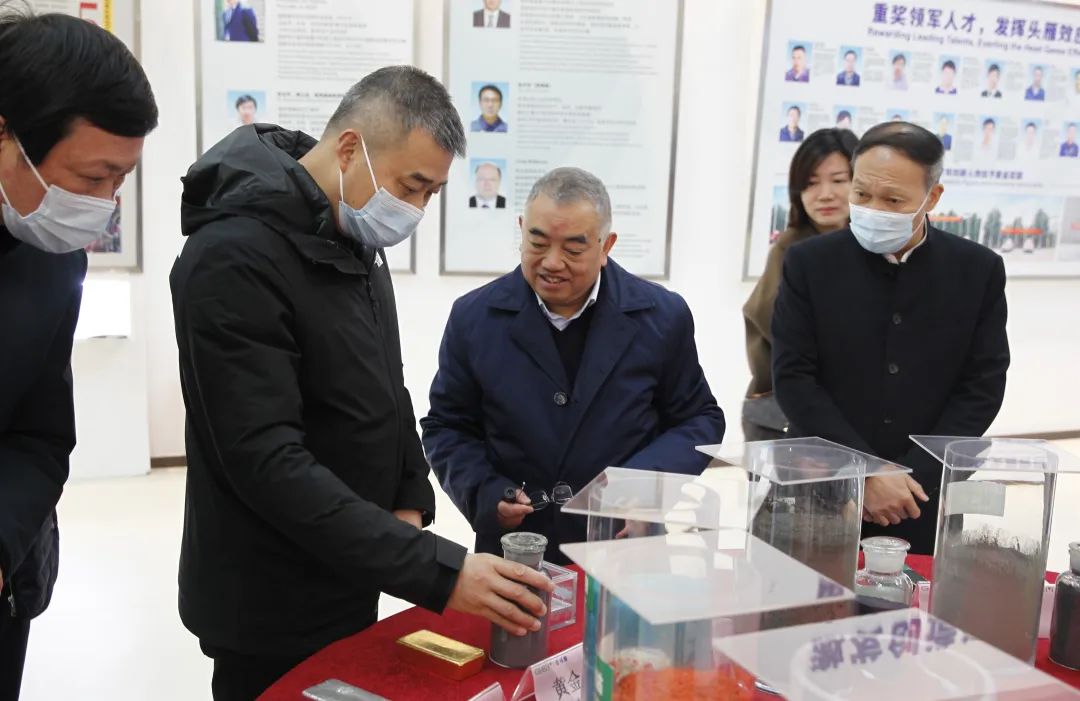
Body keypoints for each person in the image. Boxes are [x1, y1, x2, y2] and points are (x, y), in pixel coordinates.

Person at [170, 66, 552, 701]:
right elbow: (266, 460)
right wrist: (437, 570)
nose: (416, 209)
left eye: (432, 193)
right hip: (268, 593)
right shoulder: (233, 256)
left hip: (353, 561)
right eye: (411, 186)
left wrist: (408, 496)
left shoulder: (350, 236)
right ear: (350, 148)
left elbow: (386, 386)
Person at [422, 167, 726, 562]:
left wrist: (641, 484)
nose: (552, 262)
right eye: (537, 243)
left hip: (625, 545)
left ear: (606, 246)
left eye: (573, 249)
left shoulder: (661, 316)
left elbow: (699, 419)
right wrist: (485, 491)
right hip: (518, 551)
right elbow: (447, 426)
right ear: (521, 230)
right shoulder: (475, 318)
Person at [0, 10, 158, 700]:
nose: (104, 203)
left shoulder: (52, 258)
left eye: (120, 179)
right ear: (5, 136)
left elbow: (39, 434)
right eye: (93, 177)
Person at [772, 121, 1010, 556]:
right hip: (822, 483)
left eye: (893, 200)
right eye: (862, 193)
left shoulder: (977, 270)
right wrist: (866, 471)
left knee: (916, 592)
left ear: (932, 197)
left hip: (921, 496)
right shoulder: (809, 263)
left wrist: (912, 479)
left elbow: (982, 386)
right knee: (803, 588)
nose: (873, 208)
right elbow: (794, 377)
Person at [743, 129, 857, 442]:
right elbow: (781, 330)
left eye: (838, 180)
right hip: (786, 419)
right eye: (810, 183)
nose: (825, 194)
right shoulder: (791, 250)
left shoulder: (875, 250)